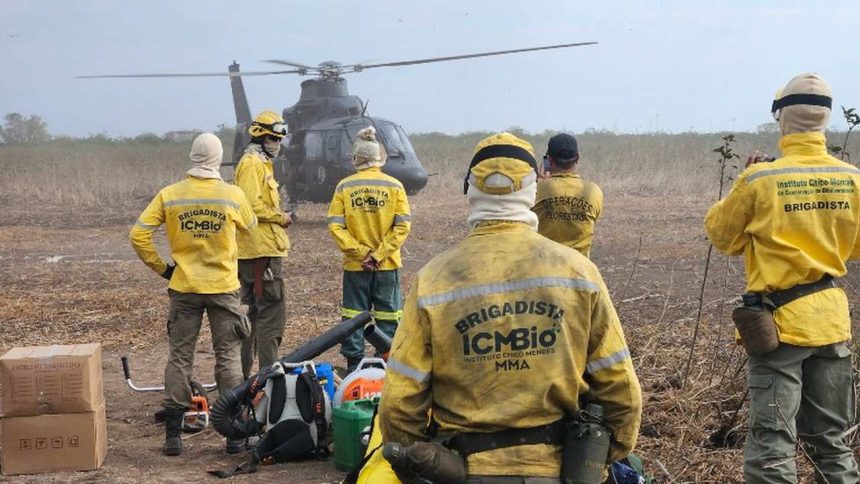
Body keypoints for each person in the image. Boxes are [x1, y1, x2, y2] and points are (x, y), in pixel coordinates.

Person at [378, 132, 641, 482]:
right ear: (532, 190)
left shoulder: (433, 280)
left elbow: (399, 402)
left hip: (462, 470)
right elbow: (621, 391)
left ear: (469, 191)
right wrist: (600, 457)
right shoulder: (580, 273)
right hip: (560, 470)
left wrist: (418, 463)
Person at [705, 73, 860, 484]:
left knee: (773, 445)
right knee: (831, 441)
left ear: (781, 118)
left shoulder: (759, 179)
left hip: (780, 329)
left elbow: (723, 237)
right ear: (825, 118)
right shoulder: (853, 178)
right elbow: (856, 247)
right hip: (830, 324)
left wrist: (744, 182)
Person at [129, 133, 257, 456]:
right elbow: (251, 225)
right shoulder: (232, 195)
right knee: (228, 357)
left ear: (192, 156)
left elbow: (139, 235)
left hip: (183, 288)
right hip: (223, 288)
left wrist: (165, 269)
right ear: (218, 158)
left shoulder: (170, 195)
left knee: (180, 358)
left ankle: (173, 437)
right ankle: (234, 437)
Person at [327, 126, 411, 373]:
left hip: (356, 266)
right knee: (388, 315)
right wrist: (378, 255)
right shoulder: (395, 186)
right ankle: (385, 365)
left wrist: (360, 253)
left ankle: (354, 366)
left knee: (353, 315)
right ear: (379, 158)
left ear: (356, 158)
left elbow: (335, 226)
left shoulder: (344, 187)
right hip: (387, 265)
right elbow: (403, 226)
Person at [234, 110, 292, 379]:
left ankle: (243, 382)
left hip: (260, 251)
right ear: (260, 136)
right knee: (269, 317)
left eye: (279, 139)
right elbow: (250, 205)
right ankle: (267, 381)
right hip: (260, 254)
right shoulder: (252, 164)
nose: (277, 144)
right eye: (273, 138)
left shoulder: (260, 163)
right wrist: (281, 216)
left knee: (253, 316)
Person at [532, 133, 603, 257]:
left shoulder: (536, 189)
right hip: (580, 269)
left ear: (548, 160)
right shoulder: (593, 191)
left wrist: (541, 183)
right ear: (577, 158)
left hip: (543, 266)